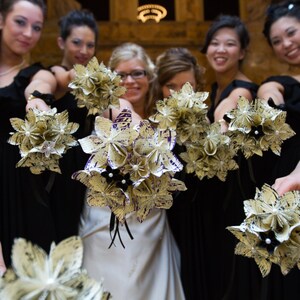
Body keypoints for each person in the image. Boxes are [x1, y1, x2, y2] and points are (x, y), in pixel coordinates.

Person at [79, 42, 185, 300]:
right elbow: (126, 115)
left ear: (149, 77)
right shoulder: (111, 106)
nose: (130, 81)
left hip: (151, 220)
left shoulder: (162, 115)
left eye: (137, 73)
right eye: (121, 75)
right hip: (106, 219)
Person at [201, 15, 261, 300]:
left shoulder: (243, 89)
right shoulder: (213, 90)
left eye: (229, 44)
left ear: (243, 52)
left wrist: (219, 123)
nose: (220, 49)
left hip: (236, 196)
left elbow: (228, 107)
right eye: (214, 43)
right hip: (217, 195)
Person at [0, 0, 57, 269]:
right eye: (20, 22)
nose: (28, 33)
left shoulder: (36, 73)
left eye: (36, 27)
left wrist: (36, 100)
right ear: (1, 20)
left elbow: (41, 84)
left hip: (19, 191)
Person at [149, 47, 209, 300]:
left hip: (204, 213)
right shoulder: (151, 125)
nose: (179, 94)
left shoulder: (208, 123)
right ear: (160, 87)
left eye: (187, 86)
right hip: (166, 217)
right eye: (171, 86)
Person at [257, 1, 300, 298]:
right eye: (276, 41)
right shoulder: (279, 82)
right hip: (289, 190)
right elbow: (268, 94)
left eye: (291, 33)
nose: (286, 44)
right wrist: (270, 101)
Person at [47, 9, 99, 244]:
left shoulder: (96, 86)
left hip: (87, 175)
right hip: (56, 177)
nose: (84, 51)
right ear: (61, 42)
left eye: (90, 45)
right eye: (77, 43)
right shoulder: (55, 75)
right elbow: (65, 77)